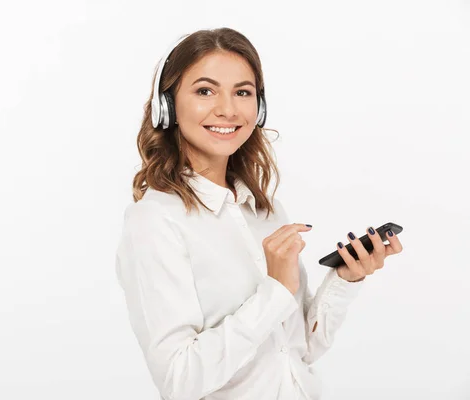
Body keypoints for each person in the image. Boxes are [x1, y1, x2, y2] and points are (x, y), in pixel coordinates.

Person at [114, 27, 403, 400]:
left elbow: (296, 352)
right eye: (205, 90)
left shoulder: (264, 210)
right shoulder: (154, 222)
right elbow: (178, 379)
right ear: (166, 105)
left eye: (243, 92)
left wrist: (344, 279)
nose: (229, 109)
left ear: (259, 108)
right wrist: (276, 290)